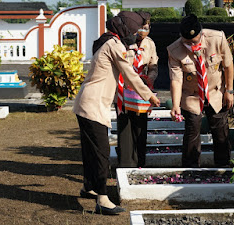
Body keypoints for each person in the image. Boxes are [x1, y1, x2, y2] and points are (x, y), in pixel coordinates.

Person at [72, 11, 160, 215]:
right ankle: (102, 199)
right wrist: (150, 96)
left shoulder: (108, 40)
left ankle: (88, 187)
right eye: (134, 29)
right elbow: (130, 75)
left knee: (90, 149)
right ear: (126, 29)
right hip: (93, 105)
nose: (137, 33)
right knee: (101, 152)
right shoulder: (114, 45)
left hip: (87, 102)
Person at [167, 14, 234, 168]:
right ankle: (190, 169)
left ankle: (223, 168)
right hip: (191, 95)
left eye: (195, 41)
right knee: (192, 130)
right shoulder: (174, 50)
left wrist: (229, 91)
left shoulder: (217, 38)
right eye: (187, 42)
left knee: (220, 130)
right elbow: (176, 79)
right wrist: (175, 105)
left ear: (201, 33)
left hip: (215, 91)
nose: (191, 44)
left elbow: (228, 65)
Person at [116, 11, 159, 168]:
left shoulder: (150, 44)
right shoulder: (123, 42)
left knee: (140, 126)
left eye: (147, 27)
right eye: (142, 27)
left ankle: (140, 162)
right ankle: (127, 163)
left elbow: (153, 66)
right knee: (125, 126)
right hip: (124, 89)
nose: (144, 30)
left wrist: (150, 78)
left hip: (142, 91)